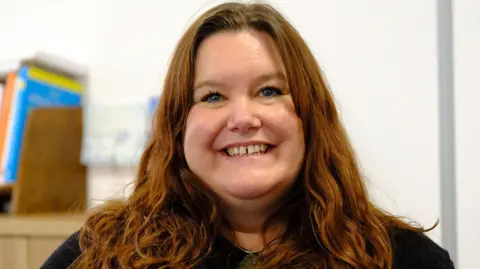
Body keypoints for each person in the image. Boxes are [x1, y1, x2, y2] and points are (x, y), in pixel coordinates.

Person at [41, 2, 455, 269]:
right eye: (213, 95)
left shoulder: (405, 260)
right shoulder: (97, 255)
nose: (243, 117)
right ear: (178, 126)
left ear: (311, 116)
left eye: (269, 91)